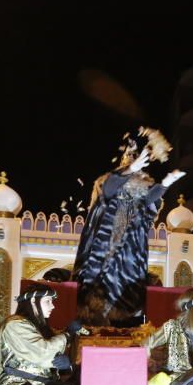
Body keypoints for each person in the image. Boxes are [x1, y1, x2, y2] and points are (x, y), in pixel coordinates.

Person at [73, 127, 185, 324]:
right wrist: (130, 171)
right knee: (98, 288)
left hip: (130, 251)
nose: (136, 165)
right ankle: (96, 320)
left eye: (138, 164)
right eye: (131, 161)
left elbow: (148, 198)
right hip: (106, 246)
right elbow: (108, 190)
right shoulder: (109, 183)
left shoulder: (142, 190)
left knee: (127, 288)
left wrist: (166, 183)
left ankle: (121, 320)